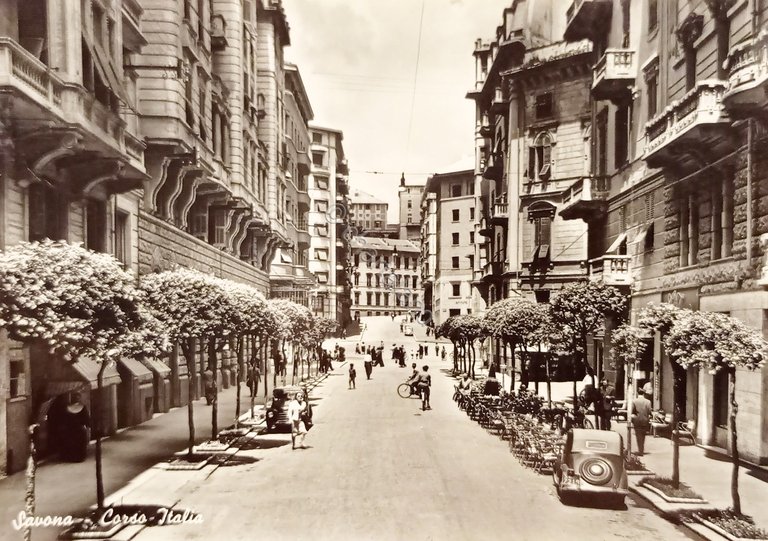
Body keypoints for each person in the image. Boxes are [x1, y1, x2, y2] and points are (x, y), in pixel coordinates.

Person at [58, 392, 90, 462]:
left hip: (72, 429)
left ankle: (73, 457)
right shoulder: (82, 407)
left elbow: (64, 419)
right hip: (77, 430)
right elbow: (86, 419)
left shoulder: (67, 407)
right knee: (76, 443)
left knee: (73, 443)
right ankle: (77, 457)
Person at [632, 391, 653, 455]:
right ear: (644, 394)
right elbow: (649, 411)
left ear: (638, 393)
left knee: (638, 435)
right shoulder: (648, 401)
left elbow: (632, 411)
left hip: (637, 420)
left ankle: (640, 450)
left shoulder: (634, 401)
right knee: (643, 435)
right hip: (645, 420)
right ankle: (641, 449)